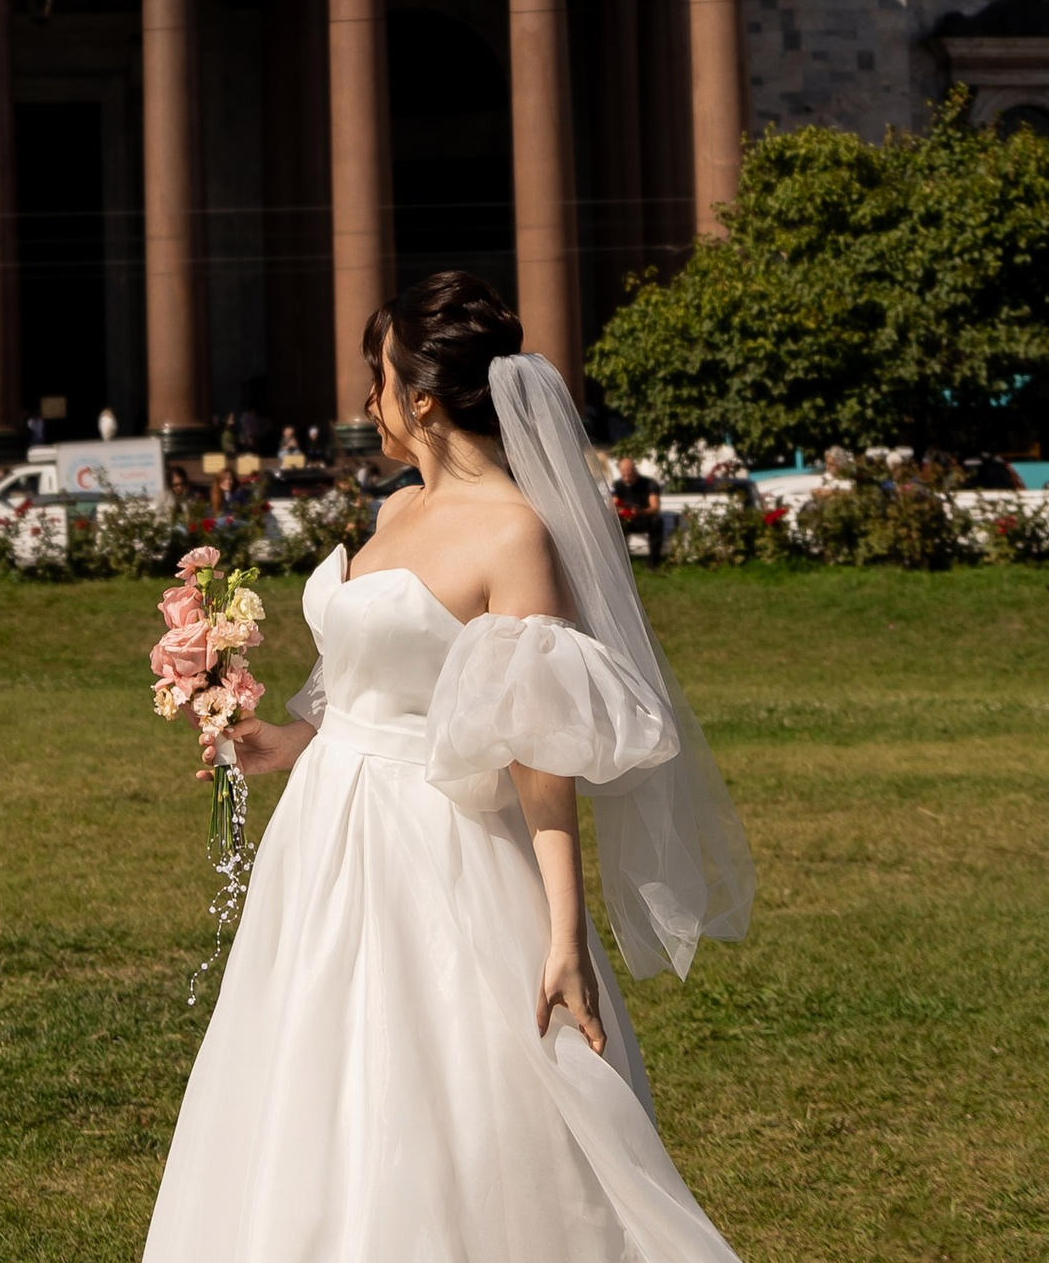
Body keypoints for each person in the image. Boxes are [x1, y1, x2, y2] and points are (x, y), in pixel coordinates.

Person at [145, 270, 752, 1262]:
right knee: (308, 1068)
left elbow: (535, 743)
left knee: (449, 1087)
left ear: (420, 395)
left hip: (438, 840)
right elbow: (367, 690)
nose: (366, 400)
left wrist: (562, 932)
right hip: (325, 837)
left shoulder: (513, 531)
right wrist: (273, 741)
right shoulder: (395, 509)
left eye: (375, 378)